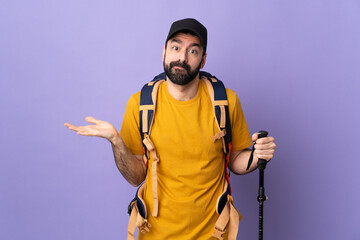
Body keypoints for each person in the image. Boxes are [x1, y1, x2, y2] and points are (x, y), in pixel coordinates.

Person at [65, 18, 276, 240]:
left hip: (215, 233)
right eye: (175, 47)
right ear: (164, 52)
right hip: (155, 234)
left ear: (203, 60)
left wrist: (257, 156)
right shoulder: (139, 104)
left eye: (192, 51)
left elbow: (235, 161)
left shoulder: (225, 101)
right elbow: (135, 177)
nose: (182, 58)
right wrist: (116, 142)